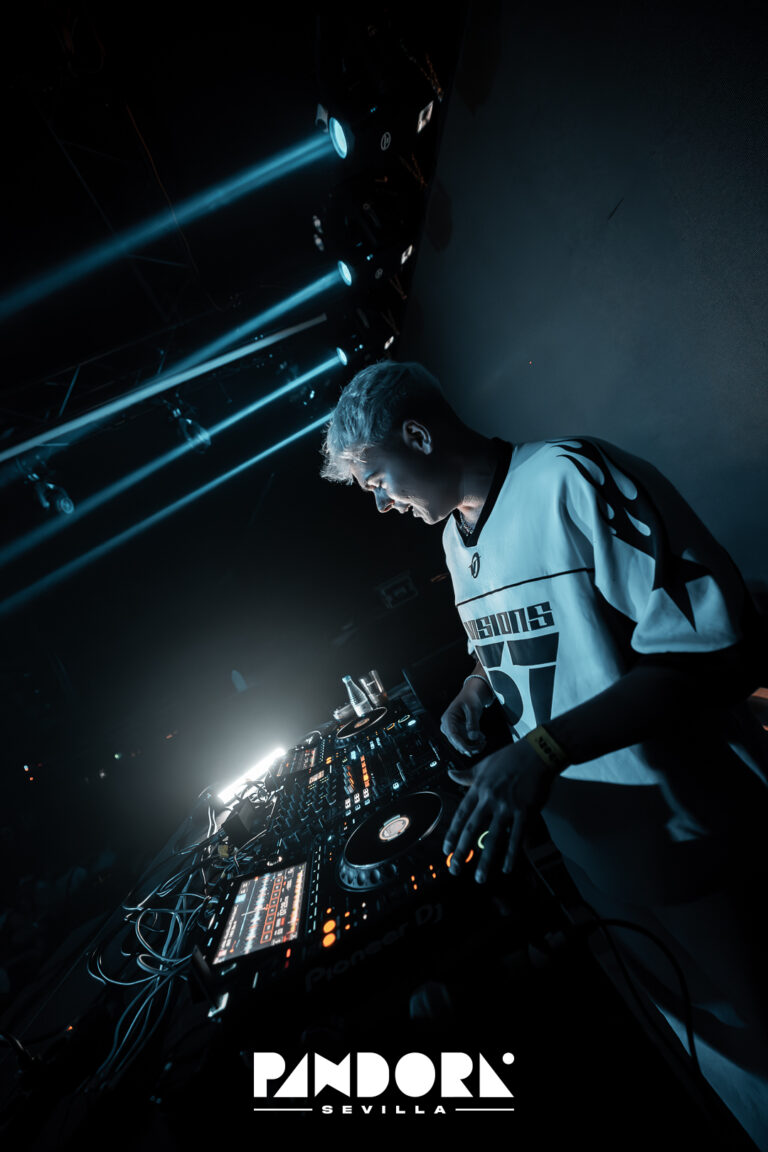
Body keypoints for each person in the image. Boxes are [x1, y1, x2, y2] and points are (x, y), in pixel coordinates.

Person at [320, 359, 768, 1145]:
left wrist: (543, 749)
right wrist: (476, 687)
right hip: (602, 859)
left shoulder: (568, 476)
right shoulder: (454, 540)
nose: (382, 503)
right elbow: (516, 634)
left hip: (699, 843)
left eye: (377, 480)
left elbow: (714, 651)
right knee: (730, 1074)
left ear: (417, 435)